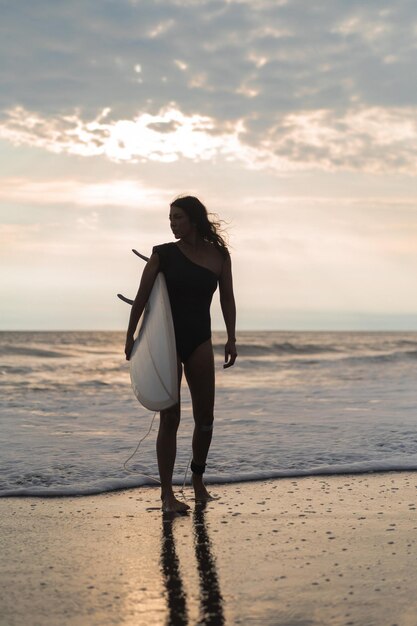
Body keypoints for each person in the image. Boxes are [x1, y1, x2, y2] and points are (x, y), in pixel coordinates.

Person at [124, 196, 237, 513]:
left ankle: (198, 479)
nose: (172, 223)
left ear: (194, 220)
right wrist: (131, 336)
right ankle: (166, 495)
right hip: (167, 341)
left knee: (206, 418)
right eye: (170, 218)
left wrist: (231, 337)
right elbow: (141, 298)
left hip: (200, 339)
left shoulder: (219, 257)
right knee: (170, 416)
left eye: (178, 218)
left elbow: (227, 298)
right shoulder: (163, 254)